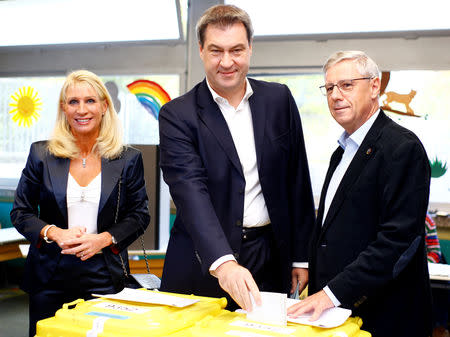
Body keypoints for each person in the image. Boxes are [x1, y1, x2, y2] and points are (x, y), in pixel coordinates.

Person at [159, 4, 315, 311]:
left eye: (237, 50)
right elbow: (190, 192)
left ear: (250, 49)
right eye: (216, 51)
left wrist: (301, 256)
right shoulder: (177, 115)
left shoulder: (278, 99)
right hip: (202, 261)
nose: (227, 62)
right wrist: (224, 263)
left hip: (269, 258)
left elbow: (297, 180)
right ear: (201, 50)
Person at [287, 51, 432, 337]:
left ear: (375, 86)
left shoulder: (402, 148)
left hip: (385, 317)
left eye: (346, 85)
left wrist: (330, 293)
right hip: (337, 315)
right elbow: (329, 230)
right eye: (329, 88)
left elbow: (397, 242)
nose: (335, 95)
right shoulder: (342, 151)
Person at [10, 70, 150, 337]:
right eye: (73, 101)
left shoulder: (127, 159)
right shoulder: (41, 154)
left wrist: (104, 239)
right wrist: (54, 233)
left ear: (104, 106)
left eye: (90, 101)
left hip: (105, 274)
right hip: (49, 275)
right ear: (64, 108)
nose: (81, 109)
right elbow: (21, 212)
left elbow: (139, 215)